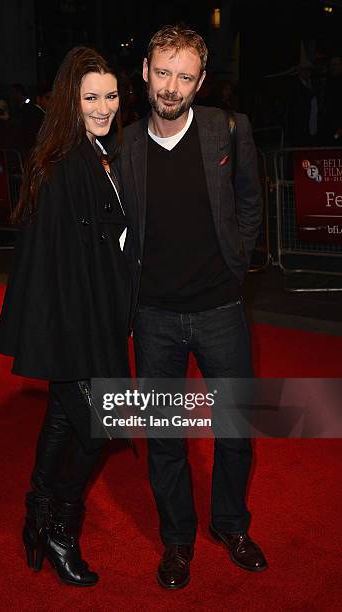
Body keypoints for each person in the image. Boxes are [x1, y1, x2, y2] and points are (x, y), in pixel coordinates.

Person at [118, 25, 267, 590]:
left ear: (201, 82)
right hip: (152, 316)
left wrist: (235, 266)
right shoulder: (125, 144)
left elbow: (251, 201)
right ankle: (176, 539)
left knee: (236, 430)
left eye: (184, 76)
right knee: (165, 438)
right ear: (146, 74)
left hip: (221, 308)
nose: (171, 86)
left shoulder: (228, 130)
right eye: (163, 72)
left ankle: (230, 525)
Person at [0, 47, 131, 587]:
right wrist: (80, 340)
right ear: (70, 103)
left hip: (90, 321)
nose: (103, 107)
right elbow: (57, 266)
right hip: (75, 329)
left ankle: (36, 511)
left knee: (60, 418)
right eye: (90, 97)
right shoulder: (66, 165)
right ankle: (60, 527)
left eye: (111, 96)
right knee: (102, 426)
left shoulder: (96, 153)